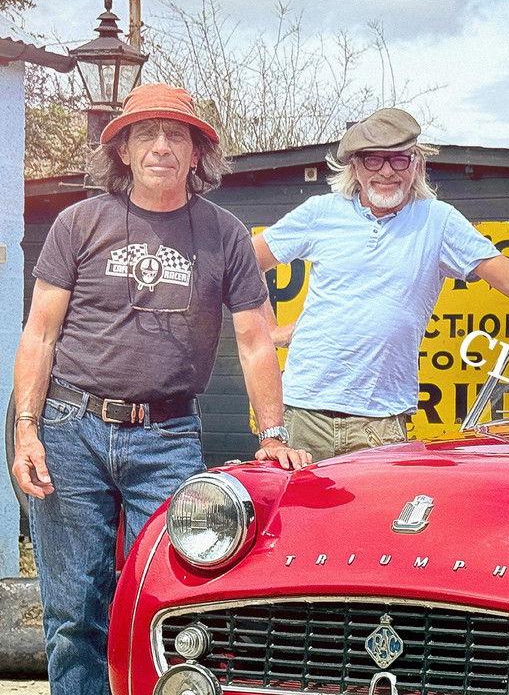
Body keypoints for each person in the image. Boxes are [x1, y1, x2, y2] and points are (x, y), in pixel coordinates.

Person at [9, 83, 310, 695]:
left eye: (177, 135)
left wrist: (273, 433)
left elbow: (255, 339)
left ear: (198, 153)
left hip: (168, 437)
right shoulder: (78, 223)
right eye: (146, 134)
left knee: (174, 596)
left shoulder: (225, 235)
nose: (162, 147)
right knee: (73, 613)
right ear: (122, 150)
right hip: (70, 430)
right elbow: (40, 333)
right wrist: (25, 431)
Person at [252, 108, 509, 460]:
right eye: (373, 159)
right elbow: (245, 261)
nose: (387, 171)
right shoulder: (321, 212)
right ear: (355, 165)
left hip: (381, 423)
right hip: (302, 414)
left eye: (399, 158)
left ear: (415, 163)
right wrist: (269, 328)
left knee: (374, 531)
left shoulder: (437, 221)